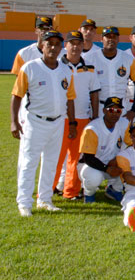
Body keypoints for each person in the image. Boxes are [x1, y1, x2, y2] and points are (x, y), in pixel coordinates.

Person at [11, 30, 76, 216]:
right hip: (35, 121)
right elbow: (16, 96)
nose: (54, 48)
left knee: (51, 162)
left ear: (61, 47)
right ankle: (24, 202)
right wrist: (14, 122)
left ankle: (45, 199)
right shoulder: (30, 68)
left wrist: (71, 123)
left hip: (57, 122)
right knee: (29, 162)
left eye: (57, 44)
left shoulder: (65, 69)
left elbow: (70, 98)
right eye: (50, 44)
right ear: (43, 45)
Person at [54, 31, 101, 200]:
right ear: (65, 45)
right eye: (72, 43)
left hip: (82, 117)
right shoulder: (56, 65)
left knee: (76, 157)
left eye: (78, 43)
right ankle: (47, 190)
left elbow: (95, 92)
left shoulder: (89, 67)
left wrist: (95, 116)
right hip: (60, 118)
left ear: (83, 46)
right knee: (55, 157)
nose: (75, 47)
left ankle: (71, 191)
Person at [77, 97, 130, 203]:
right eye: (111, 110)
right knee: (94, 178)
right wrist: (106, 169)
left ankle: (115, 190)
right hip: (92, 165)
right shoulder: (92, 129)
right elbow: (88, 158)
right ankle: (88, 194)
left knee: (130, 162)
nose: (115, 113)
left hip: (112, 162)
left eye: (118, 110)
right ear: (104, 110)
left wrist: (118, 159)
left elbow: (133, 145)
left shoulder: (124, 123)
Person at [89, 26, 135, 119]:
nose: (111, 39)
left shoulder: (128, 59)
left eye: (114, 37)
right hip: (99, 108)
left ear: (118, 39)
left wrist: (134, 110)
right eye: (108, 37)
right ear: (102, 39)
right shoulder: (90, 58)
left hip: (121, 108)